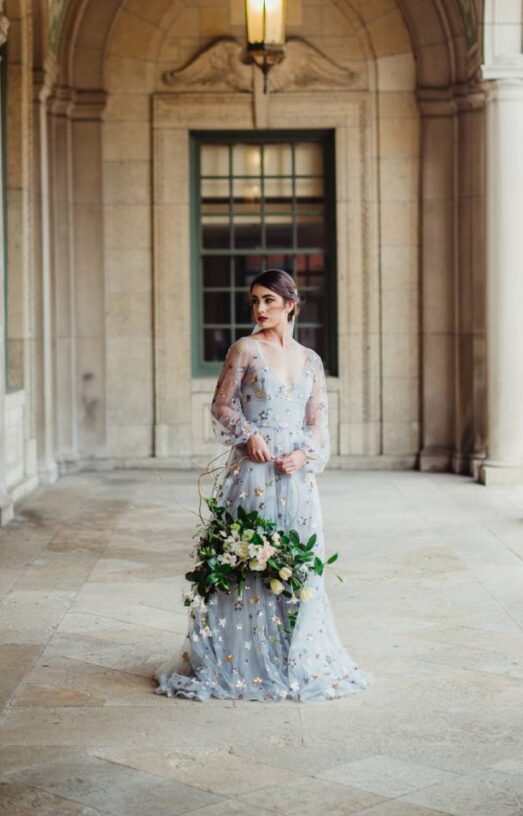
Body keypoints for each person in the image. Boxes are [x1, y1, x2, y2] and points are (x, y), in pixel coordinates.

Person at [155, 269, 369, 701]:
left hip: (294, 476)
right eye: (254, 301)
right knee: (248, 554)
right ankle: (241, 656)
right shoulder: (245, 349)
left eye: (269, 300)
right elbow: (221, 404)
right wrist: (248, 433)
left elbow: (317, 423)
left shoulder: (310, 359)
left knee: (296, 559)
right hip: (253, 470)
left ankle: (294, 653)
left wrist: (305, 454)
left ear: (291, 305)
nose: (259, 309)